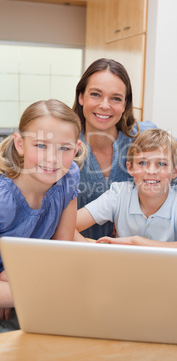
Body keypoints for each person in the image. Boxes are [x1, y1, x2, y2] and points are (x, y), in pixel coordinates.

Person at [73, 58, 177, 240]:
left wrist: (163, 199)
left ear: (125, 104)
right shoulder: (65, 146)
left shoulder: (143, 136)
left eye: (115, 98)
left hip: (139, 253)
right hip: (82, 248)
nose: (105, 105)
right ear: (81, 97)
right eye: (95, 94)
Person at [0, 99, 86, 331]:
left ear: (76, 148)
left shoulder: (69, 178)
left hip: (26, 283)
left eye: (64, 148)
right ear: (20, 144)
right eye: (41, 146)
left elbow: (61, 250)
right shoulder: (3, 199)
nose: (52, 159)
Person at [76, 129, 177, 249]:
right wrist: (96, 254)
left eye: (162, 164)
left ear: (175, 170)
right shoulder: (118, 194)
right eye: (142, 163)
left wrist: (134, 242)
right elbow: (67, 226)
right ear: (130, 168)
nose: (151, 171)